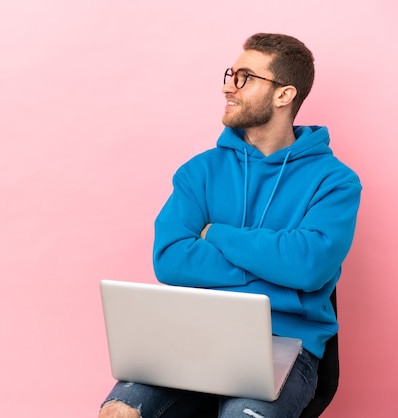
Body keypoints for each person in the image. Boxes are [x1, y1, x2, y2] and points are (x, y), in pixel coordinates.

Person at [99, 33, 361, 418]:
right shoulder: (199, 171)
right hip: (191, 333)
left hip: (284, 343)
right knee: (118, 412)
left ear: (283, 95)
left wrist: (216, 234)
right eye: (230, 74)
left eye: (245, 77)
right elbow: (170, 260)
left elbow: (308, 266)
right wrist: (279, 277)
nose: (228, 86)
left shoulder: (335, 181)